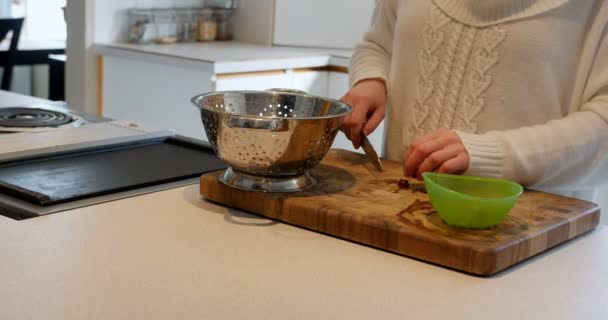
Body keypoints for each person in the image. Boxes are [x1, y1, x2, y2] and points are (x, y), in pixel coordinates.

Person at [341, 0, 608, 200]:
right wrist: (370, 79)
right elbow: (378, 44)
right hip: (396, 213)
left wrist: (489, 155)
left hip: (529, 248)